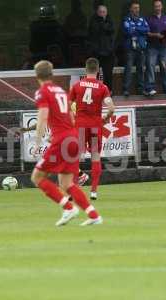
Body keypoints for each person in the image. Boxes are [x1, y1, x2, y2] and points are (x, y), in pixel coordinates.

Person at [30, 60, 103, 227]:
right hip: (73, 137)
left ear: (37, 76)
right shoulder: (61, 91)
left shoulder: (43, 92)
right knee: (66, 183)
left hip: (62, 139)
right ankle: (93, 215)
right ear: (52, 74)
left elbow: (42, 117)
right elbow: (70, 115)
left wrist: (38, 141)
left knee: (37, 176)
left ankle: (68, 207)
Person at [69, 58, 115, 200]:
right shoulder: (102, 87)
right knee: (95, 156)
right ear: (98, 70)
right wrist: (105, 119)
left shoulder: (77, 86)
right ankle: (94, 191)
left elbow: (68, 105)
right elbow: (111, 108)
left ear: (85, 69)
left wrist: (73, 119)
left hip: (81, 125)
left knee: (74, 158)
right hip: (95, 125)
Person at [145, 0, 166, 96]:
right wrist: (155, 35)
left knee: (165, 67)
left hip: (164, 47)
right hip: (152, 46)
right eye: (156, 6)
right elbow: (147, 33)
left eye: (159, 6)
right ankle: (150, 88)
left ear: (162, 7)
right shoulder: (149, 19)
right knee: (150, 66)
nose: (157, 8)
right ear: (154, 7)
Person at [122, 1, 149, 96]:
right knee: (128, 69)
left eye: (138, 8)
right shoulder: (126, 19)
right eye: (134, 8)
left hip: (141, 48)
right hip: (130, 49)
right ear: (130, 9)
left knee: (141, 69)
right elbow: (128, 31)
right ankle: (126, 89)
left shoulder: (142, 18)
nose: (136, 10)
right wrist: (139, 29)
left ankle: (140, 89)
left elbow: (146, 30)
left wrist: (135, 28)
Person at [88, 5, 115, 92]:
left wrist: (103, 23)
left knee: (108, 74)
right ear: (97, 12)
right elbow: (95, 30)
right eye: (100, 12)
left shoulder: (110, 21)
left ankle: (108, 91)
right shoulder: (93, 21)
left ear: (107, 13)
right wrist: (102, 23)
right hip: (96, 52)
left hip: (108, 52)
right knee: (94, 73)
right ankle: (94, 92)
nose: (102, 14)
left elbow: (111, 29)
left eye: (104, 12)